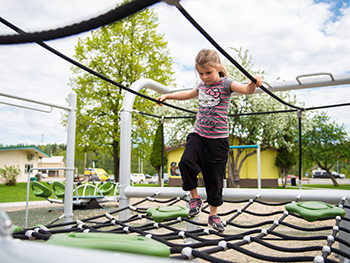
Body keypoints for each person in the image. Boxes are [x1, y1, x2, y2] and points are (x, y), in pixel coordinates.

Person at [157, 49, 262, 232]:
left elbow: (247, 90)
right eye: (201, 73)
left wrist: (253, 82)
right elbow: (188, 94)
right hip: (198, 135)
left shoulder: (226, 84)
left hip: (218, 141)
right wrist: (167, 96)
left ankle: (213, 215)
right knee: (186, 162)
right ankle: (195, 197)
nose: (205, 77)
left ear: (218, 68)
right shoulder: (201, 86)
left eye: (208, 72)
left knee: (214, 180)